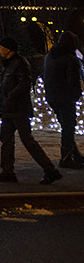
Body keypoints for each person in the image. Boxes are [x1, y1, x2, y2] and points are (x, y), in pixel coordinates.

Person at [0, 36, 62, 184]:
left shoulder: (19, 63)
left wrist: (10, 98)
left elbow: (24, 84)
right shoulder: (9, 64)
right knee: (6, 140)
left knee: (28, 141)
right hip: (9, 110)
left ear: (8, 48)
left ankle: (50, 170)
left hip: (18, 110)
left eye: (0, 46)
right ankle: (7, 172)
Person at [42, 31, 84, 169]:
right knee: (69, 127)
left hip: (52, 97)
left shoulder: (50, 55)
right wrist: (76, 95)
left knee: (66, 126)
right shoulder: (70, 58)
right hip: (65, 97)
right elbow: (73, 80)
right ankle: (66, 159)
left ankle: (76, 155)